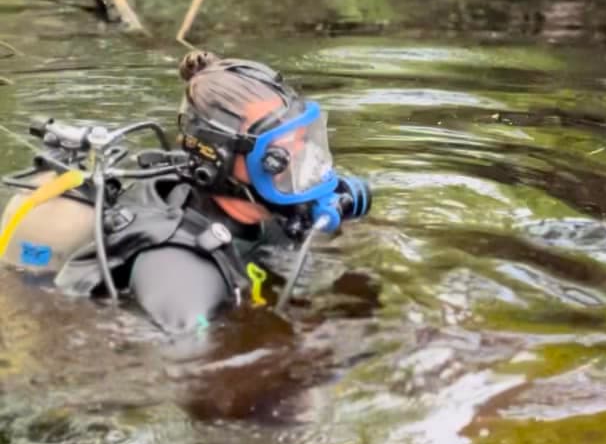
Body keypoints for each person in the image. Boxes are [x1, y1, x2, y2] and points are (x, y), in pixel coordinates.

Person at [0, 51, 372, 335]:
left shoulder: (274, 208)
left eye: (303, 141)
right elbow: (200, 385)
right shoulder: (181, 273)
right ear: (219, 163)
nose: (299, 162)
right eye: (277, 155)